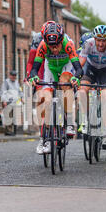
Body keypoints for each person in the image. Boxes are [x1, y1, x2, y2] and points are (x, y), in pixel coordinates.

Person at [27, 22, 83, 154]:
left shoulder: (68, 44)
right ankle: (44, 138)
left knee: (64, 83)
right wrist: (33, 77)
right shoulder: (42, 46)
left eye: (57, 45)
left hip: (66, 66)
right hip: (50, 68)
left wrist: (76, 78)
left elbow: (79, 68)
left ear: (61, 39)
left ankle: (69, 122)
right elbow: (34, 68)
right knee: (44, 99)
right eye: (51, 47)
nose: (55, 49)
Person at [78, 24, 106, 149]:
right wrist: (75, 76)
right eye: (98, 40)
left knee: (105, 96)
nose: (101, 44)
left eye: (104, 41)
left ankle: (105, 134)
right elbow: (80, 64)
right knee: (82, 91)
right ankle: (85, 120)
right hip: (91, 68)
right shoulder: (88, 44)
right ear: (94, 39)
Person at [0, 70, 23, 136]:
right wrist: (4, 100)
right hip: (8, 102)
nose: (13, 77)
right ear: (10, 75)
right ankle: (8, 131)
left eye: (15, 75)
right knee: (9, 117)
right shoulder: (6, 82)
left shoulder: (17, 83)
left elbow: (19, 91)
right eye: (12, 75)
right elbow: (3, 91)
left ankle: (12, 130)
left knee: (14, 117)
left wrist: (22, 98)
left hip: (15, 102)